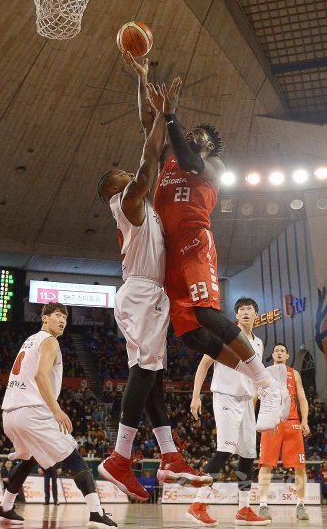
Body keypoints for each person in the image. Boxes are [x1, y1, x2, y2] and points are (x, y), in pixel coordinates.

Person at [142, 72, 289, 432]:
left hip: (194, 243)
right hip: (170, 253)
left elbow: (189, 160)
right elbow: (148, 123)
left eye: (198, 135)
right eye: (189, 132)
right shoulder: (169, 156)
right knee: (191, 336)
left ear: (208, 146)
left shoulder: (214, 167)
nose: (191, 135)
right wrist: (142, 81)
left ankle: (268, 386)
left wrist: (172, 116)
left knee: (207, 313)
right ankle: (259, 380)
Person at [97, 82, 212, 502]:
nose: (132, 176)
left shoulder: (141, 207)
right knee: (145, 372)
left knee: (152, 376)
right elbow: (148, 161)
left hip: (147, 295)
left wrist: (144, 82)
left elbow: (150, 133)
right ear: (114, 190)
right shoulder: (125, 203)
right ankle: (119, 457)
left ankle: (169, 455)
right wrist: (164, 116)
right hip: (141, 293)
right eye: (124, 177)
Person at [0, 303, 117, 528]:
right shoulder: (50, 341)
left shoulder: (30, 340)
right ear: (44, 318)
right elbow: (40, 376)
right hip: (32, 412)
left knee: (29, 459)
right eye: (58, 315)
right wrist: (57, 410)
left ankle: (5, 507)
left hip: (10, 414)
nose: (62, 321)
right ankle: (96, 513)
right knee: (74, 457)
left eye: (65, 318)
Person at [188, 297, 270, 526]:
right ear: (236, 315)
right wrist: (195, 396)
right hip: (225, 396)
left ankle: (244, 509)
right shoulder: (226, 336)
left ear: (256, 315)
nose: (245, 312)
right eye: (241, 309)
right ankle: (197, 504)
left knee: (248, 455)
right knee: (225, 450)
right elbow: (204, 364)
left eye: (249, 309)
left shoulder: (259, 343)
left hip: (246, 401)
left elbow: (255, 375)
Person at [258, 343, 310, 521]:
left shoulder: (294, 373)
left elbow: (302, 397)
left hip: (292, 422)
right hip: (271, 423)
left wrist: (305, 420)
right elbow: (255, 396)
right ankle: (263, 504)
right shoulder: (264, 373)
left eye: (282, 351)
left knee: (300, 466)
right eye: (276, 351)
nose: (279, 353)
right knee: (265, 464)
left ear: (287, 356)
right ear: (272, 355)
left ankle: (300, 505)